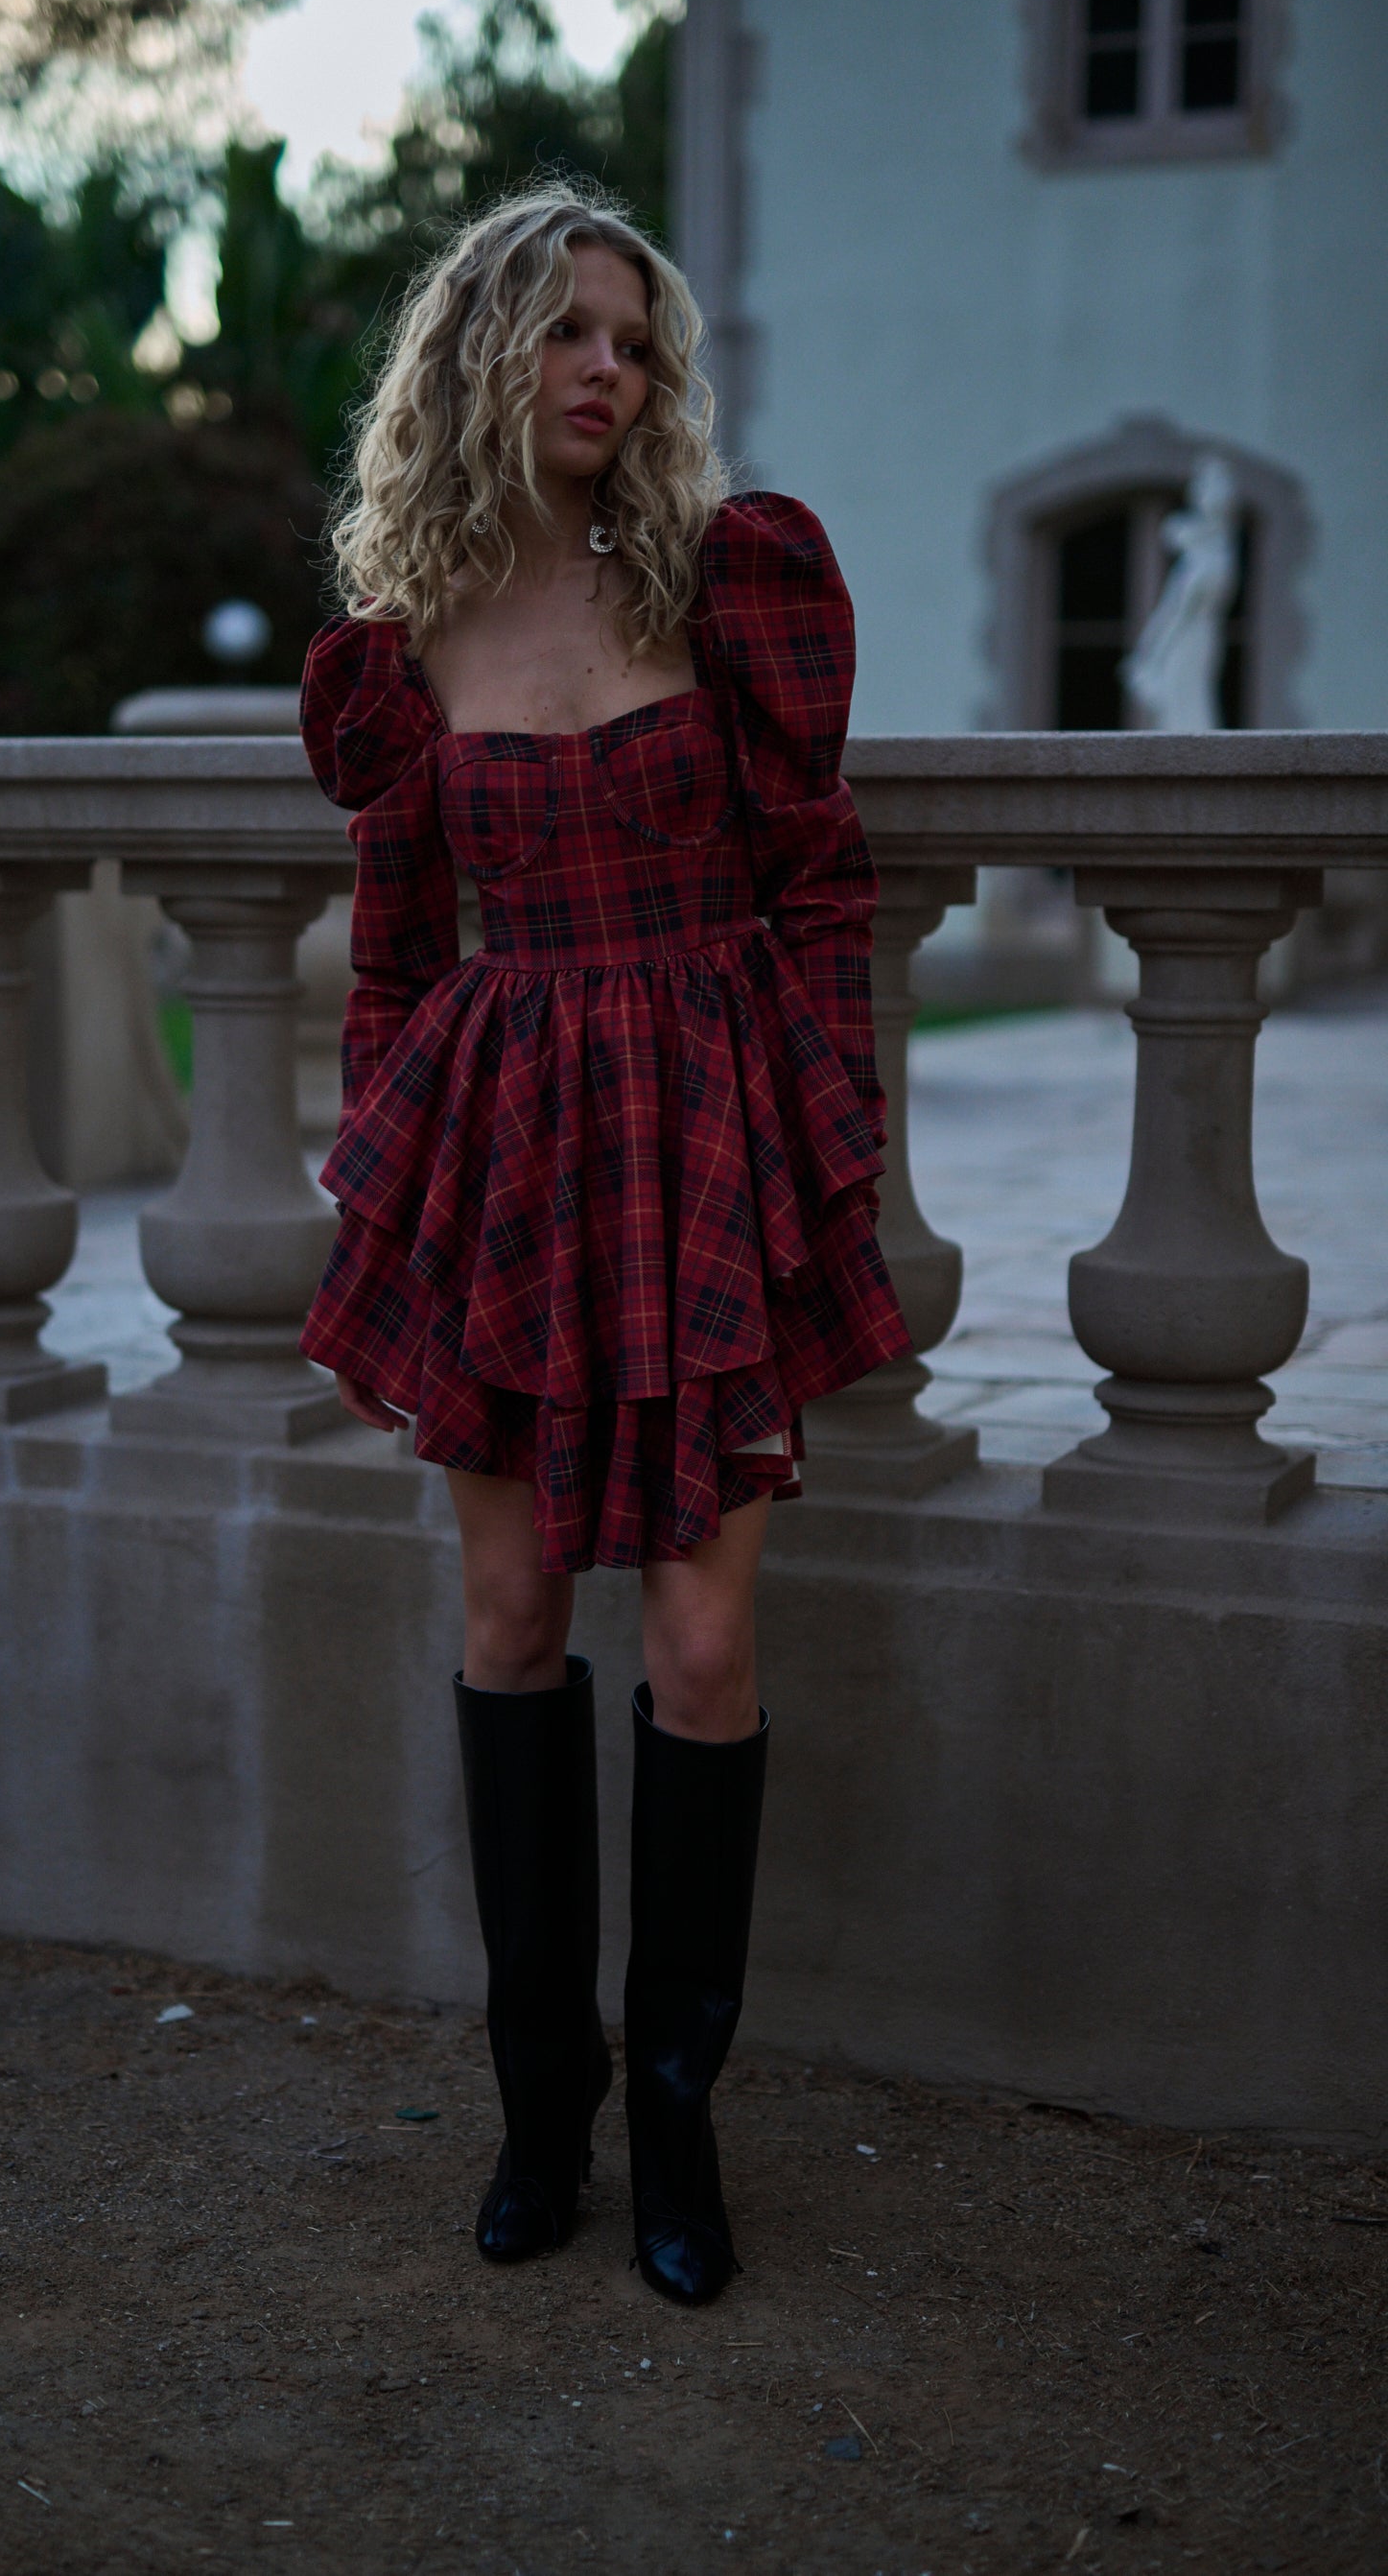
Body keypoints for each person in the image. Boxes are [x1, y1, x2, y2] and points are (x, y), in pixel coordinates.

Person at [298, 182, 908, 2305]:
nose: (607, 373)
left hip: (709, 1134)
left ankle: (676, 2118)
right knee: (508, 1616)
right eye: (569, 331)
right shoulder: (403, 653)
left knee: (707, 1647)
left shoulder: (728, 584)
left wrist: (821, 1135)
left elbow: (819, 886)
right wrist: (386, 1194)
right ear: (482, 354)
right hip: (509, 1155)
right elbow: (397, 963)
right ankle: (537, 2110)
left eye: (634, 343)